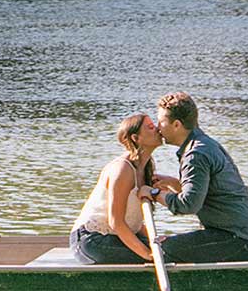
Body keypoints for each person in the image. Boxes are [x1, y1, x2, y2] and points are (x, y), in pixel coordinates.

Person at [149, 93, 248, 263]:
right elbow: (207, 195)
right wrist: (174, 184)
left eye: (161, 122)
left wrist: (154, 193)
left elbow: (188, 205)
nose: (158, 128)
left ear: (177, 125)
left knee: (161, 249)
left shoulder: (195, 154)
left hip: (241, 239)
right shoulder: (205, 143)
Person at [70, 113, 177, 265]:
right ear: (135, 138)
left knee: (171, 249)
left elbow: (134, 223)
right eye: (151, 127)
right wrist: (149, 255)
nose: (158, 129)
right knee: (164, 255)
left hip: (114, 237)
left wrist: (156, 241)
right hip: (92, 240)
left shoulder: (145, 169)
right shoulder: (123, 169)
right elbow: (116, 222)